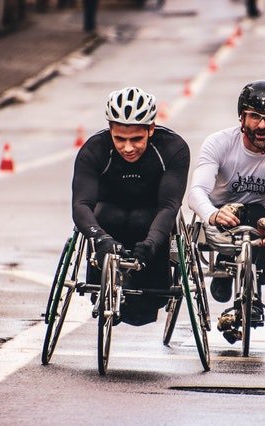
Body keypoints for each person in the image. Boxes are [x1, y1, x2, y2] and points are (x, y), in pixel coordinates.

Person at [188, 80, 265, 342]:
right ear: (242, 117)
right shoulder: (218, 143)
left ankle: (252, 299)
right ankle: (226, 264)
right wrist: (213, 214)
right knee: (243, 214)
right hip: (221, 215)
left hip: (260, 216)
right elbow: (196, 192)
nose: (261, 126)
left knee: (257, 215)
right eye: (254, 117)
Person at [72, 86, 190, 326]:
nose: (128, 148)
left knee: (142, 219)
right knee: (105, 214)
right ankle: (106, 283)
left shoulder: (173, 148)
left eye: (136, 139)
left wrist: (151, 244)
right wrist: (100, 239)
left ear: (151, 129)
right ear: (110, 130)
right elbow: (81, 204)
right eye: (119, 139)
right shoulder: (94, 149)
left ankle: (143, 286)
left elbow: (169, 206)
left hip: (151, 220)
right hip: (109, 218)